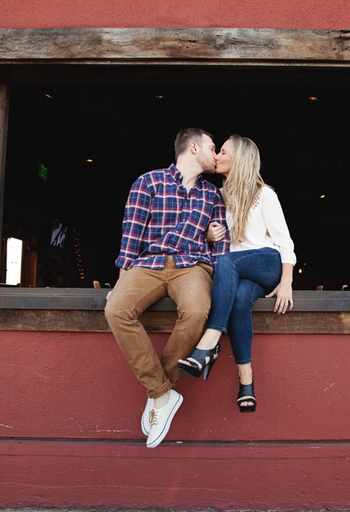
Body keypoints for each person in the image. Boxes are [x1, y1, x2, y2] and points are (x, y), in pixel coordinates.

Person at [104, 128, 229, 448]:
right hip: (149, 263)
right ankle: (162, 394)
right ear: (194, 147)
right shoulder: (148, 182)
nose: (216, 155)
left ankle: (159, 394)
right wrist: (121, 282)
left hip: (192, 266)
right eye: (212, 147)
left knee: (197, 310)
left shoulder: (213, 195)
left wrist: (221, 284)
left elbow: (222, 246)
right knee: (116, 309)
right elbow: (130, 235)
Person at [177, 134, 296, 413]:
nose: (216, 156)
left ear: (239, 159)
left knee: (227, 262)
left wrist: (287, 282)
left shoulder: (265, 195)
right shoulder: (217, 197)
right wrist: (208, 236)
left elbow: (285, 242)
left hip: (267, 264)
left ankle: (209, 342)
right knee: (241, 299)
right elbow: (211, 244)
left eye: (222, 151)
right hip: (239, 273)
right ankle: (246, 381)